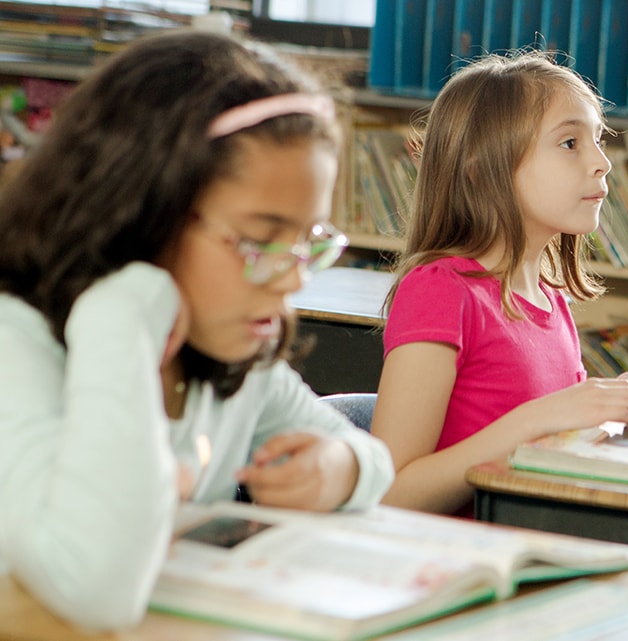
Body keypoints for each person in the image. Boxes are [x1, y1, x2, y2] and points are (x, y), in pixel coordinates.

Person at [0, 31, 395, 631]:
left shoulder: (229, 358)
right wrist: (123, 312)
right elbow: (98, 587)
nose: (293, 283)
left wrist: (338, 467)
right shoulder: (18, 345)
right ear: (140, 213)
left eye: (306, 243)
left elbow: (371, 456)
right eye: (261, 240)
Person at [371, 51, 628, 515]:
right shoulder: (439, 291)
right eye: (570, 143)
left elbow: (548, 452)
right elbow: (390, 494)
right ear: (482, 166)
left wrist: (612, 411)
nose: (602, 163)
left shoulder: (550, 298)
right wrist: (538, 420)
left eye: (598, 139)